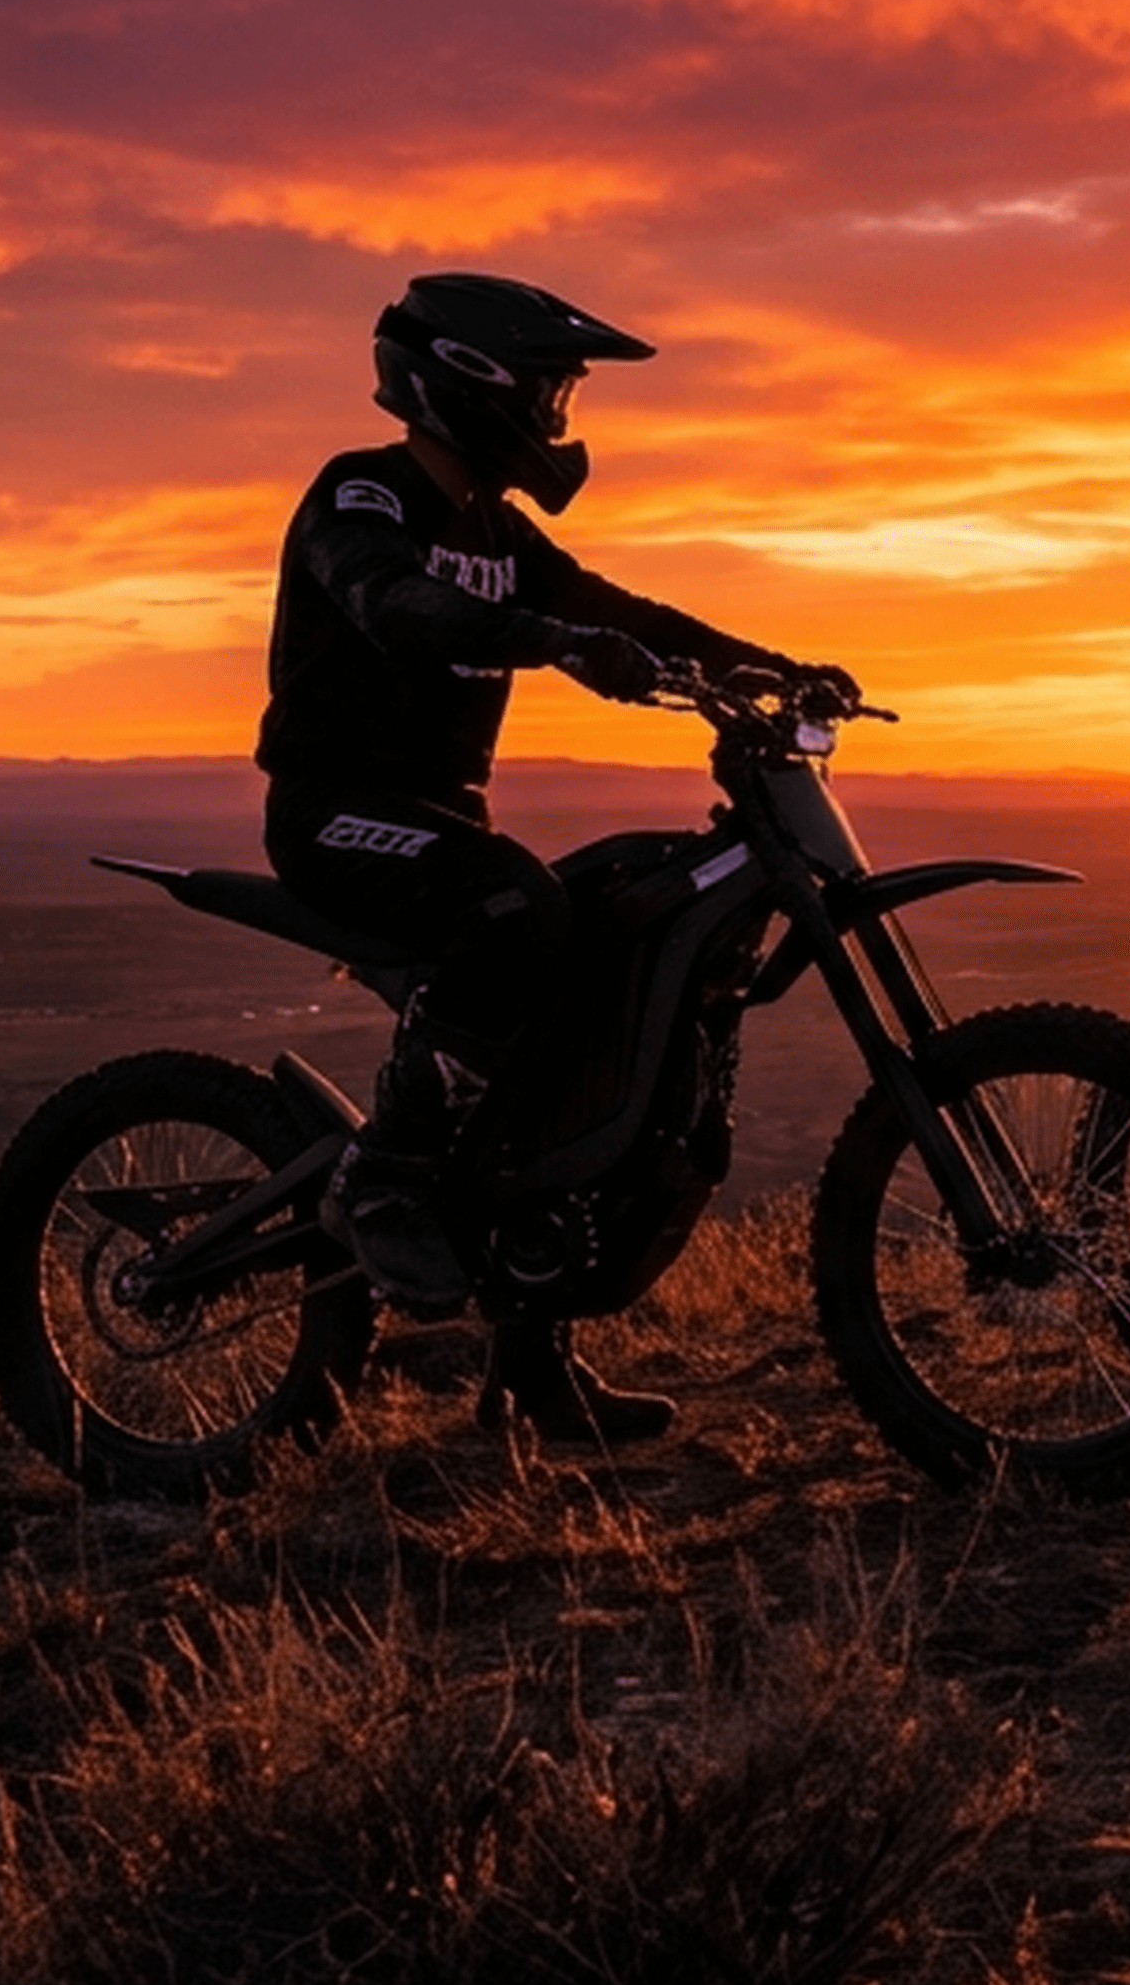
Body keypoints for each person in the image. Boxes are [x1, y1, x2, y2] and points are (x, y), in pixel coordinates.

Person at [259, 271, 831, 1442]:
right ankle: (386, 1177)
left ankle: (530, 1363)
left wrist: (771, 663)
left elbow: (622, 611)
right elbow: (395, 607)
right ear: (473, 383)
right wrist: (556, 645)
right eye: (551, 391)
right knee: (516, 905)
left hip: (440, 823)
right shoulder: (362, 493)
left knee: (596, 957)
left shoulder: (497, 532)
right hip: (334, 813)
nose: (560, 418)